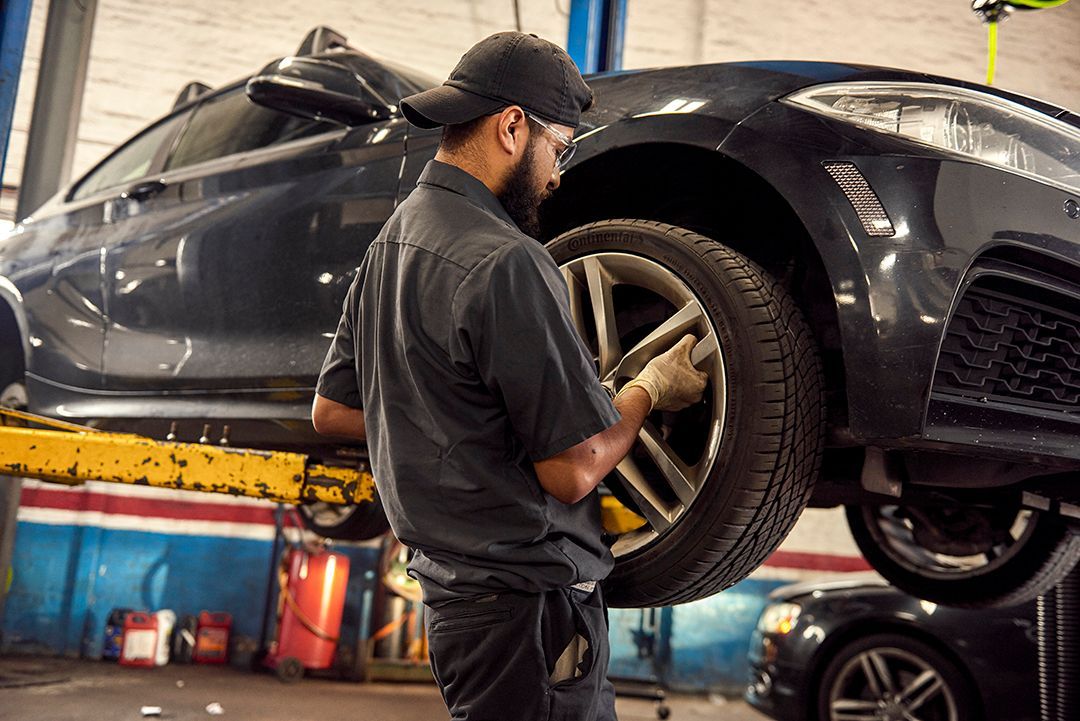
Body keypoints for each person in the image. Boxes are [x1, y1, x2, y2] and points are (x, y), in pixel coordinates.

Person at [311, 31, 708, 721]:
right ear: (512, 126)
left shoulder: (391, 243)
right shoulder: (507, 261)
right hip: (532, 613)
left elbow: (333, 410)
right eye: (560, 146)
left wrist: (456, 425)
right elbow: (575, 468)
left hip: (457, 608)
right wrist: (647, 390)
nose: (558, 174)